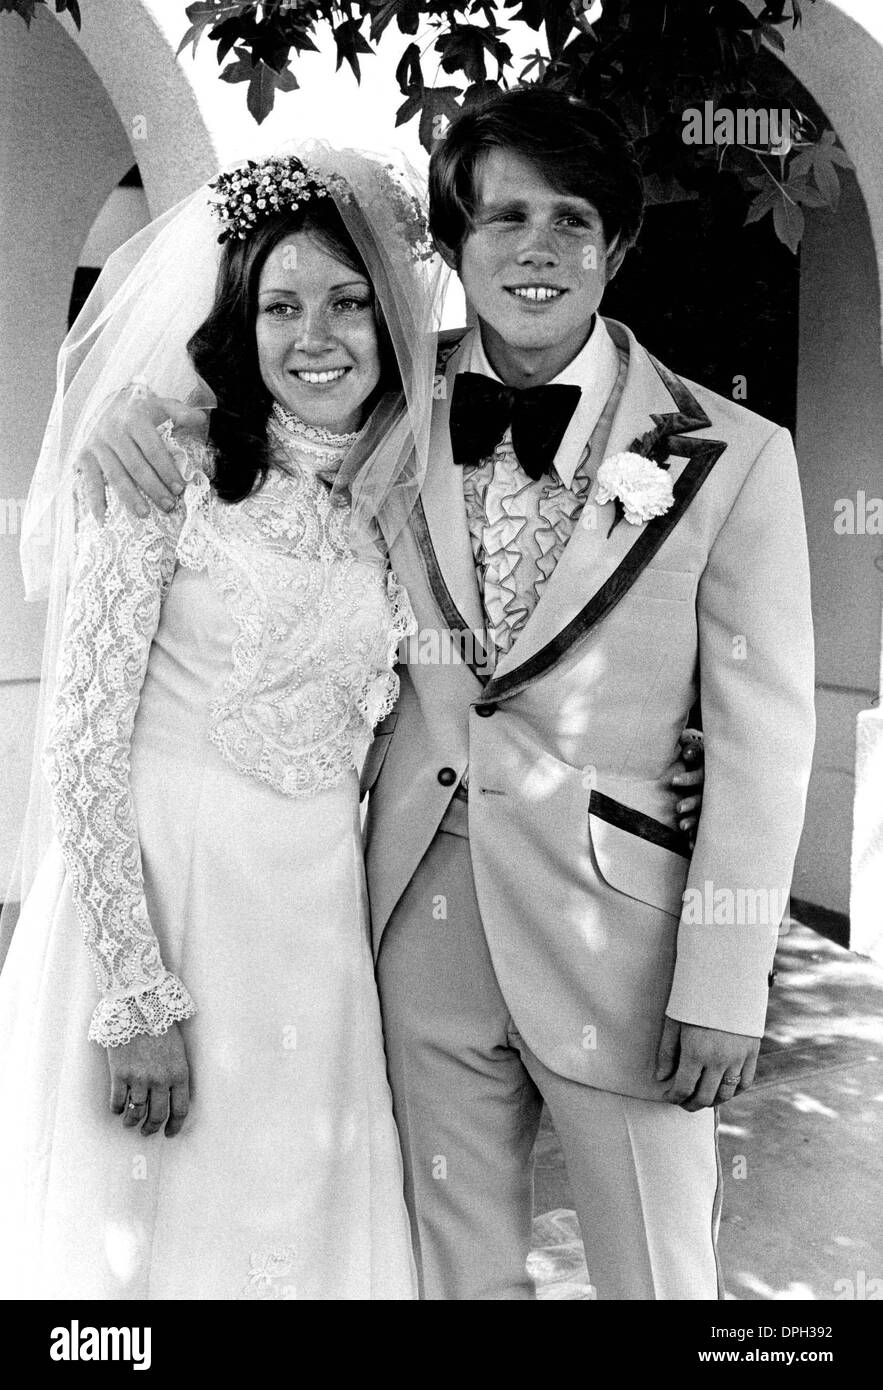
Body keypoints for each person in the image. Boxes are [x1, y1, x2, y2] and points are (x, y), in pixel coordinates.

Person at [70, 96, 747, 1303]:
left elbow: (760, 720)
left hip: (535, 936)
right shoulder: (254, 441)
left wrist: (707, 838)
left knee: (657, 1277)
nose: (533, 249)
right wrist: (126, 413)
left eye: (570, 220)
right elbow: (85, 736)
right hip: (371, 922)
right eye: (499, 219)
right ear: (457, 248)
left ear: (618, 247)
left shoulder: (727, 453)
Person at [0, 148, 445, 1299]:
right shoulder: (160, 478)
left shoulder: (394, 499)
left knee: (288, 1233)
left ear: (394, 320)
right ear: (236, 327)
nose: (317, 337)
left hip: (313, 939)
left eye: (349, 303)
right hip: (158, 920)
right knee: (141, 1253)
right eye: (281, 306)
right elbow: (83, 745)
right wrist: (137, 996)